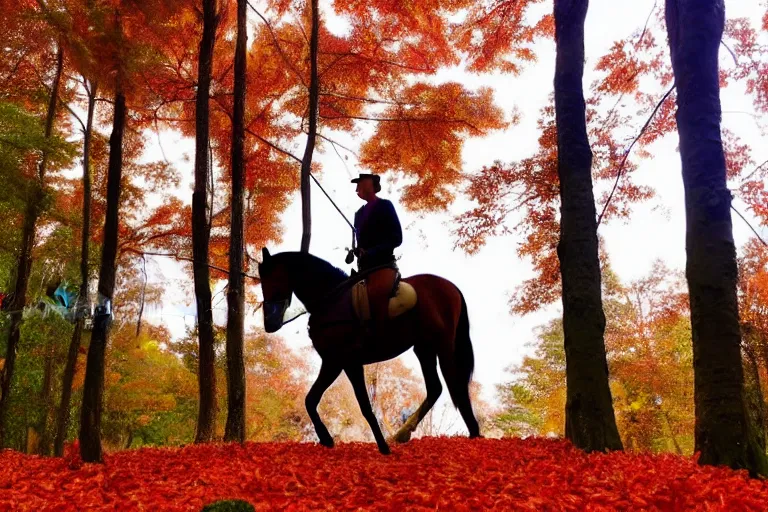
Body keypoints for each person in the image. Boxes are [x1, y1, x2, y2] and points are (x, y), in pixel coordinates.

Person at [350, 173, 403, 335]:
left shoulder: (385, 205)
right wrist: (358, 251)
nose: (356, 188)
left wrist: (372, 252)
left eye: (359, 183)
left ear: (369, 184)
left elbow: (396, 238)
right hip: (363, 269)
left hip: (383, 264)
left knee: (378, 297)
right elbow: (361, 243)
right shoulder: (358, 214)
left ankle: (383, 335)